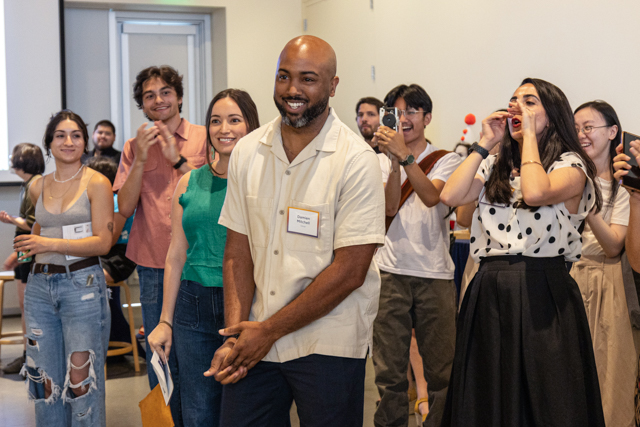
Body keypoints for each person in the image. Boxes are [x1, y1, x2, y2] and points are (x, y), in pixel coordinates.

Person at [207, 35, 385, 427]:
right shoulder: (248, 151)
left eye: (308, 79)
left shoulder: (356, 161)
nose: (292, 90)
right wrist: (236, 337)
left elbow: (351, 271)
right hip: (254, 339)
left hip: (327, 341)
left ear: (333, 85)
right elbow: (238, 251)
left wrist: (268, 330)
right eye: (284, 77)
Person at [439, 78, 605, 426]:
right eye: (514, 101)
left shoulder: (572, 166)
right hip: (490, 286)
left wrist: (528, 136)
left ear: (553, 115)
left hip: (543, 289)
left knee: (549, 398)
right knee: (488, 395)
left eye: (530, 102)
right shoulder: (495, 163)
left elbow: (535, 192)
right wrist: (485, 143)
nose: (516, 107)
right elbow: (450, 197)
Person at [147, 89, 259, 427]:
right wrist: (165, 320)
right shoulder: (188, 182)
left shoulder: (264, 183)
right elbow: (176, 256)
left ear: (251, 126)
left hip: (246, 305)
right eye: (216, 120)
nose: (224, 128)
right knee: (199, 410)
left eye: (234, 119)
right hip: (192, 305)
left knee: (247, 407)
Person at [113, 65, 207, 426]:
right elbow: (125, 204)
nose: (158, 100)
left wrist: (176, 159)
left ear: (179, 96)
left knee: (200, 355)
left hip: (200, 261)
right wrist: (140, 157)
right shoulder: (132, 147)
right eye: (149, 95)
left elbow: (213, 190)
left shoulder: (204, 136)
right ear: (142, 105)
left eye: (165, 92)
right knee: (160, 358)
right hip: (153, 263)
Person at [14, 110, 113, 426]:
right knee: (43, 382)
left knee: (82, 384)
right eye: (60, 135)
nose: (68, 141)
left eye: (76, 135)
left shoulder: (97, 183)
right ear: (49, 142)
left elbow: (103, 243)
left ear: (84, 142)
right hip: (40, 288)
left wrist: (48, 245)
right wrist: (30, 243)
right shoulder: (37, 186)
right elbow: (41, 234)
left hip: (81, 287)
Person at [372, 83, 461, 427]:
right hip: (389, 273)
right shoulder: (377, 161)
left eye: (411, 111)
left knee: (442, 371)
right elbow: (389, 206)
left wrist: (406, 158)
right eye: (396, 112)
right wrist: (394, 162)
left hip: (435, 275)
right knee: (389, 373)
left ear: (427, 117)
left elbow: (431, 198)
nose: (404, 119)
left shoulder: (447, 159)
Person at [571, 100, 635, 427]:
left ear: (612, 132)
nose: (581, 134)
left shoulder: (626, 185)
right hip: (568, 278)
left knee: (608, 372)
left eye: (589, 127)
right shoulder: (567, 177)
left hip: (607, 285)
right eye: (577, 128)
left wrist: (588, 204)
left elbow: (613, 246)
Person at [85, 157, 138, 353]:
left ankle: (101, 340)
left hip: (119, 256)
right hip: (106, 253)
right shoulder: (103, 200)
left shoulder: (116, 201)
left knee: (87, 279)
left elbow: (109, 240)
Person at [0, 143, 44, 374]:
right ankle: (29, 356)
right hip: (24, 250)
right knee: (25, 305)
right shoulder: (29, 184)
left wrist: (10, 220)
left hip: (29, 249)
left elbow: (32, 223)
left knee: (28, 306)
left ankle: (31, 357)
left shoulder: (34, 185)